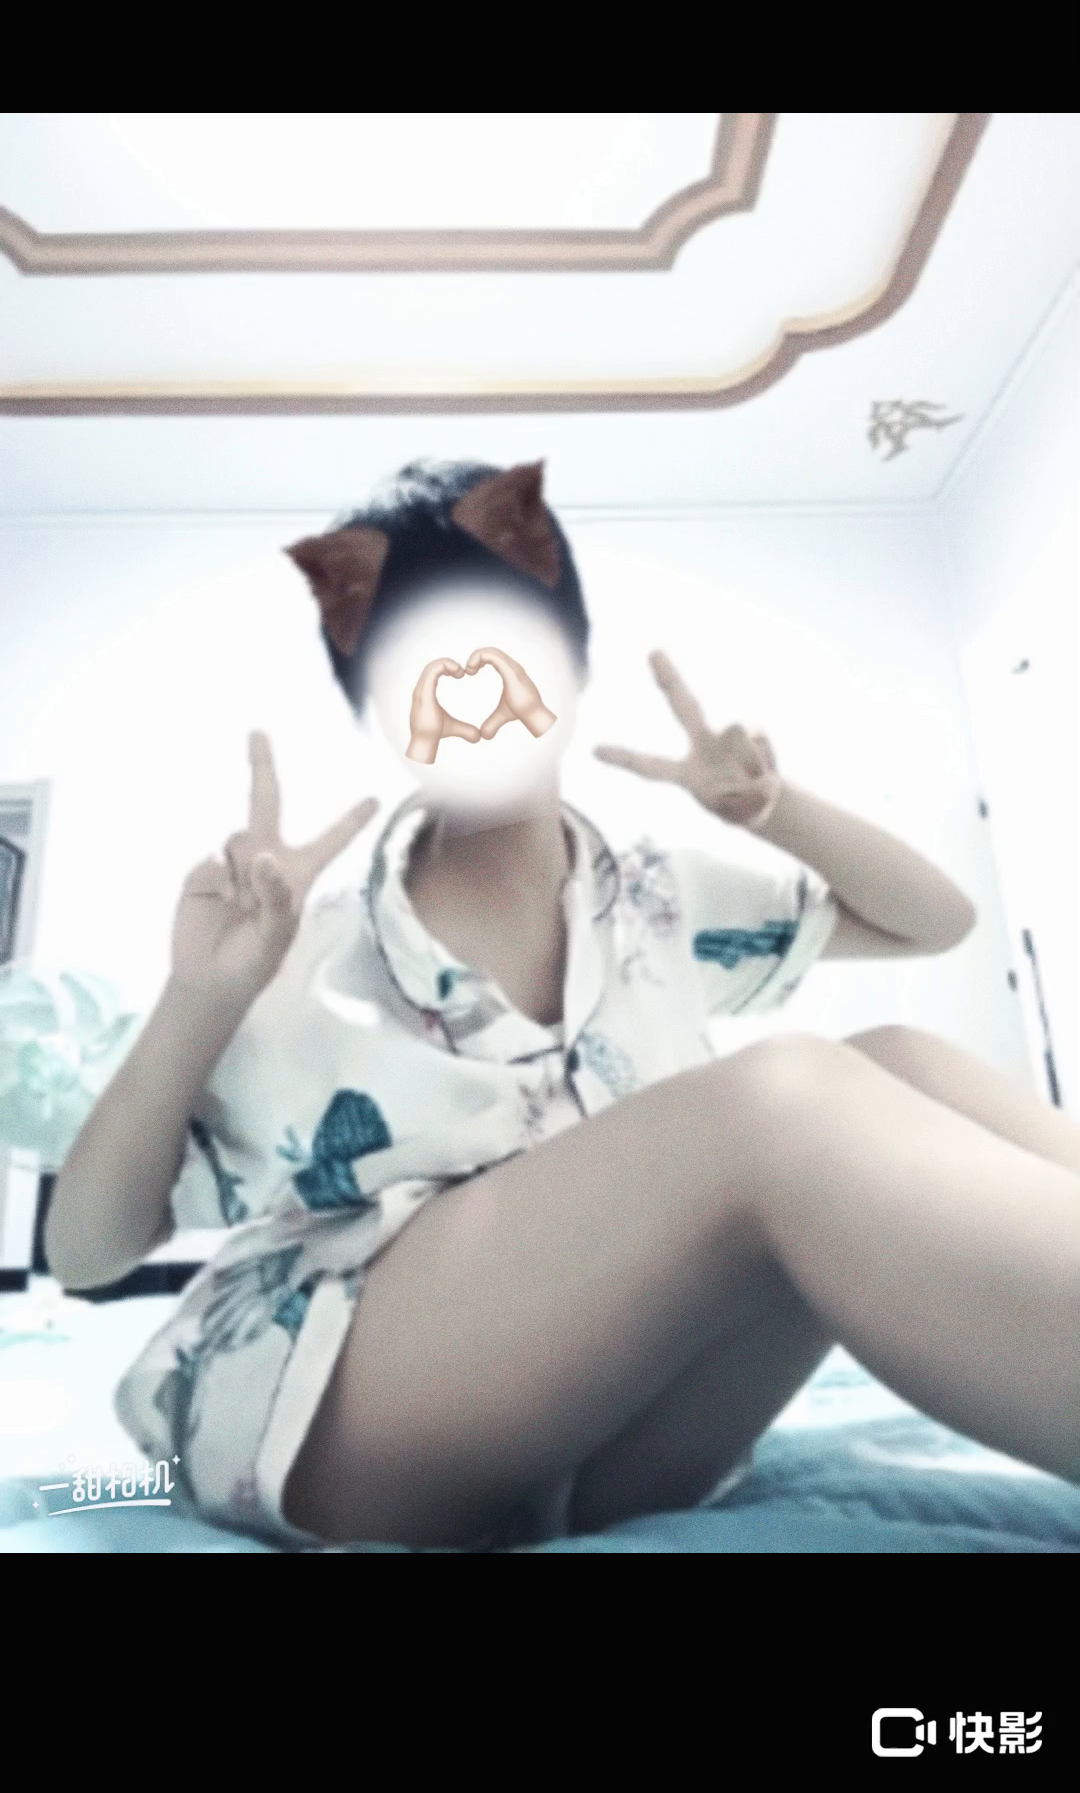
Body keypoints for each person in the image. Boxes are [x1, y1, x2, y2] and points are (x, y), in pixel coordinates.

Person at [45, 459, 1080, 1552]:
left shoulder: (657, 901)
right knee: (778, 1099)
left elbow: (933, 921)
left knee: (901, 1061)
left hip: (615, 1449)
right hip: (348, 1432)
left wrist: (775, 811)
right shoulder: (305, 954)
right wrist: (198, 1001)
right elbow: (87, 1252)